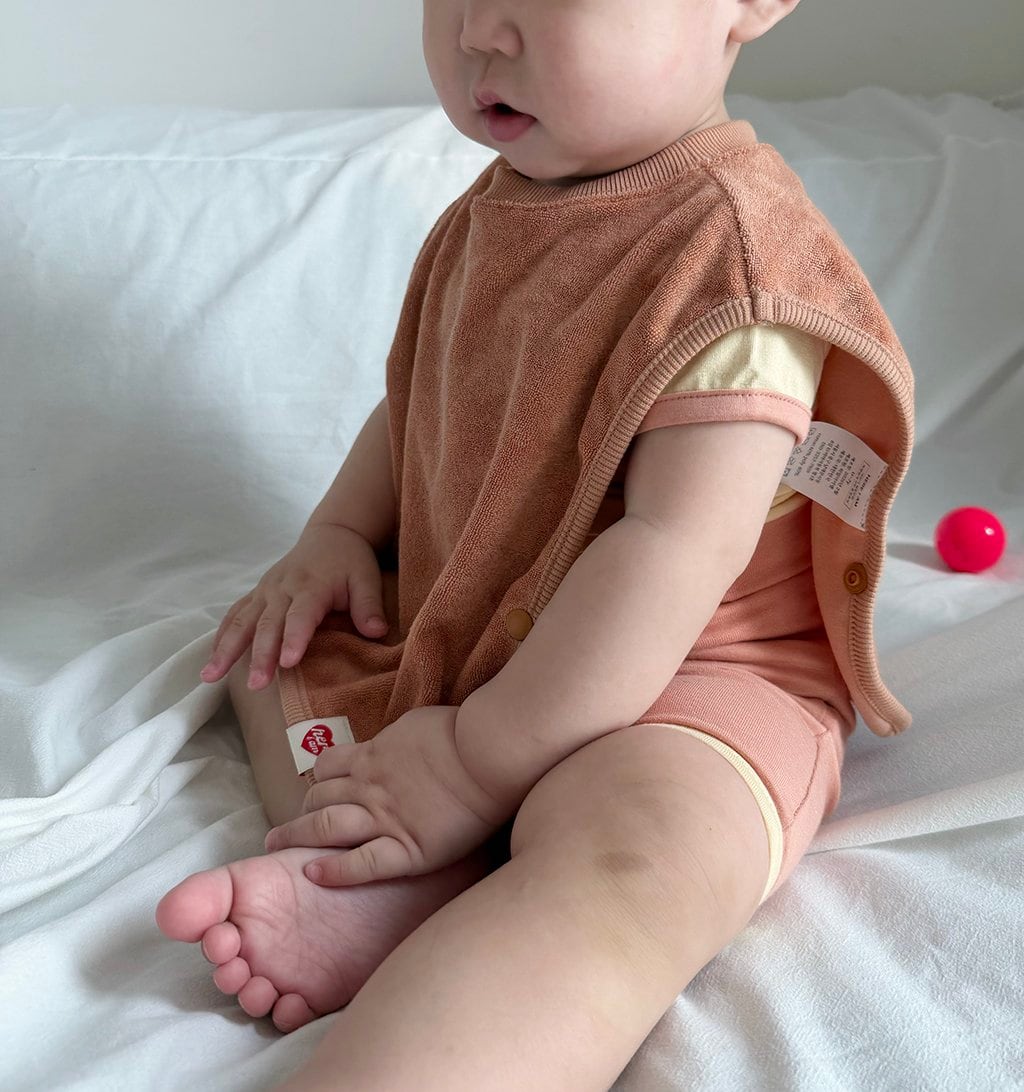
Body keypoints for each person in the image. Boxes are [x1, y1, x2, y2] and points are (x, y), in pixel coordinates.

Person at [156, 0, 915, 1087]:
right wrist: (338, 533)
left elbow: (673, 547)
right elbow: (425, 397)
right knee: (272, 654)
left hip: (695, 672)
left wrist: (473, 760)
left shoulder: (732, 264)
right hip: (493, 629)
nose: (480, 30)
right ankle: (401, 870)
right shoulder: (501, 209)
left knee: (641, 852)